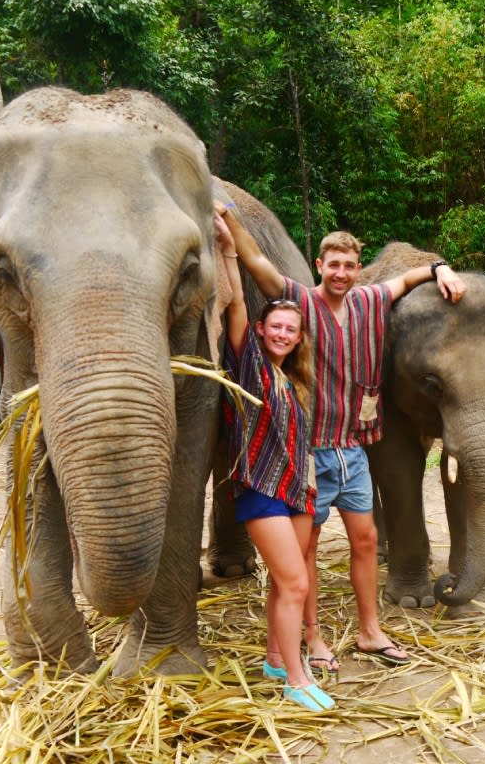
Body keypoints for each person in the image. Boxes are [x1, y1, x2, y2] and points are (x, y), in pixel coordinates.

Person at [219, 206, 466, 675]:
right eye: (333, 264)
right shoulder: (298, 301)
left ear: (357, 269)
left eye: (349, 265)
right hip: (309, 452)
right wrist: (231, 225)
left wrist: (441, 268)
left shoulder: (370, 300)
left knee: (367, 538)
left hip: (352, 448)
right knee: (307, 548)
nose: (341, 273)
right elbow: (259, 266)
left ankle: (370, 631)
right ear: (319, 266)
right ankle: (313, 637)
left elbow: (408, 279)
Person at [214, 207, 334, 712]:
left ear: (298, 337)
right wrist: (226, 248)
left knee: (290, 581)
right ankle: (296, 679)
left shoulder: (298, 382)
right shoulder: (250, 363)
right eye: (276, 327)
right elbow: (238, 300)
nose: (283, 334)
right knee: (294, 582)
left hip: (297, 489)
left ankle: (273, 657)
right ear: (262, 331)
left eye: (292, 329)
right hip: (262, 490)